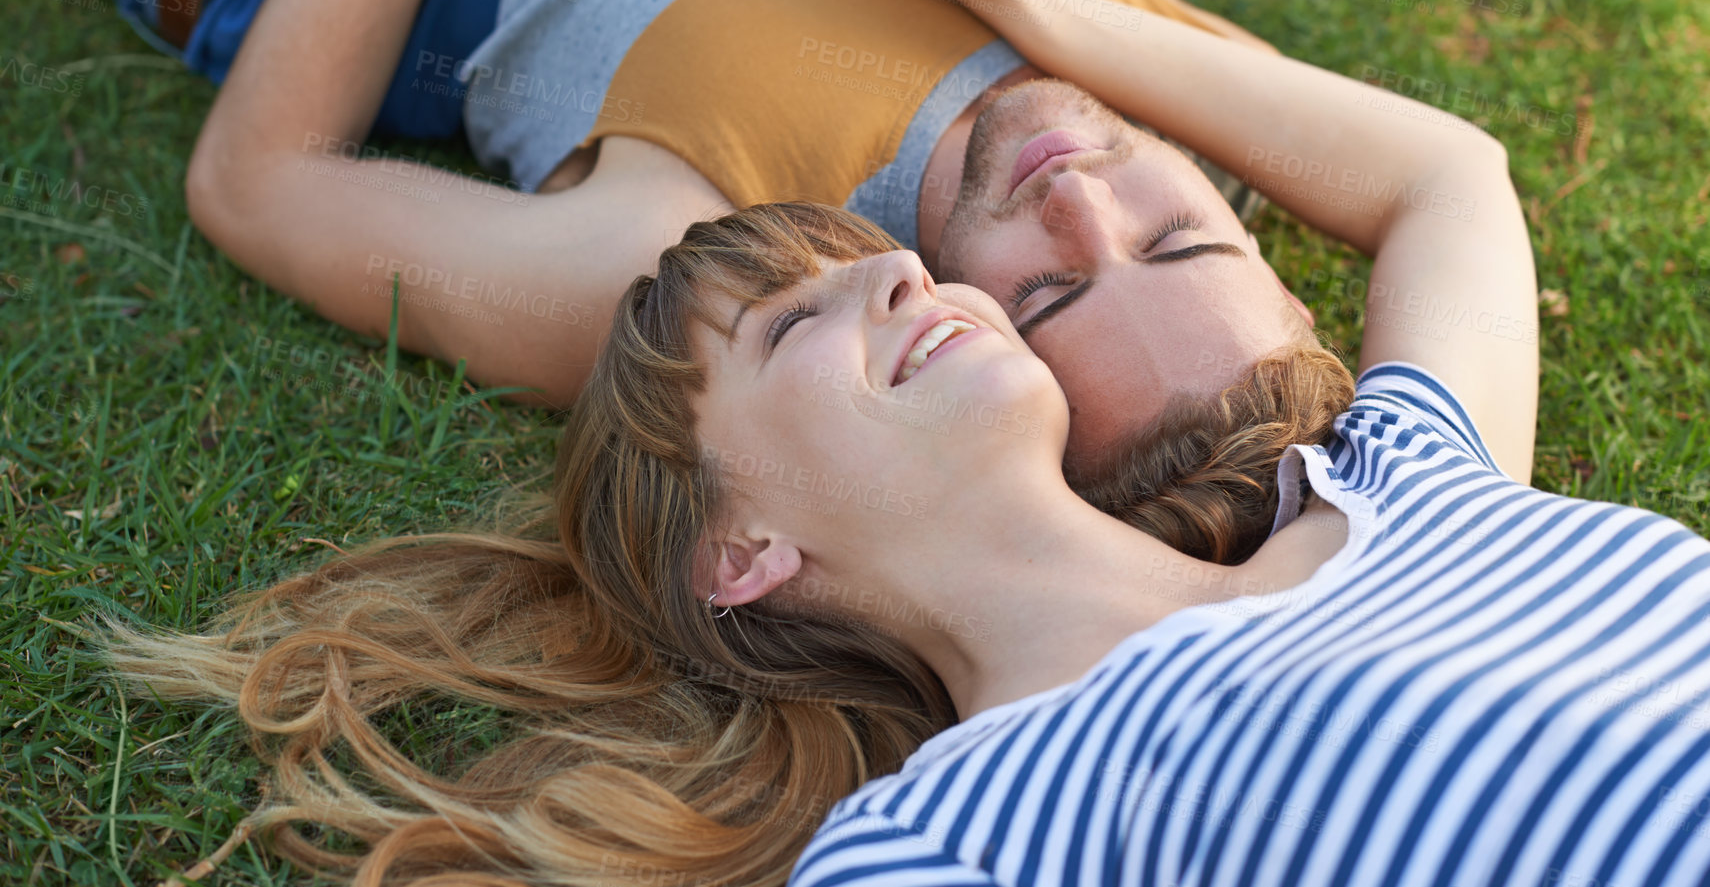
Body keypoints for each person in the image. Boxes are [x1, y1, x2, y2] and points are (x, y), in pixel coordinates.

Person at [111, 201, 1710, 887]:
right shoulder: (950, 839)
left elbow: (1453, 181)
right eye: (801, 316)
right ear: (735, 549)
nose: (904, 280)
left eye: (897, 261)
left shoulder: (1393, 471)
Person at [5, 0, 1376, 475]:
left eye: (1047, 293)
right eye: (1178, 235)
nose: (1077, 194)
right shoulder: (1207, 107)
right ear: (1251, 239)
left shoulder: (732, 262)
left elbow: (259, 184)